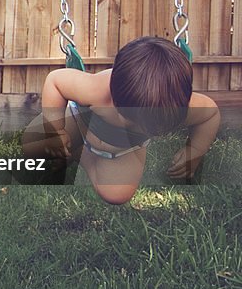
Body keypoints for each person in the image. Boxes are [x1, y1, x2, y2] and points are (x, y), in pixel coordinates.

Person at [22, 36, 220, 205]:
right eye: (130, 119)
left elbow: (210, 115)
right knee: (34, 146)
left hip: (123, 150)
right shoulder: (96, 90)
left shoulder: (181, 107)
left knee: (117, 194)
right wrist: (56, 129)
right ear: (114, 96)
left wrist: (194, 152)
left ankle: (81, 156)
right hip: (80, 123)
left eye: (152, 125)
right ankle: (73, 147)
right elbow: (55, 81)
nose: (137, 126)